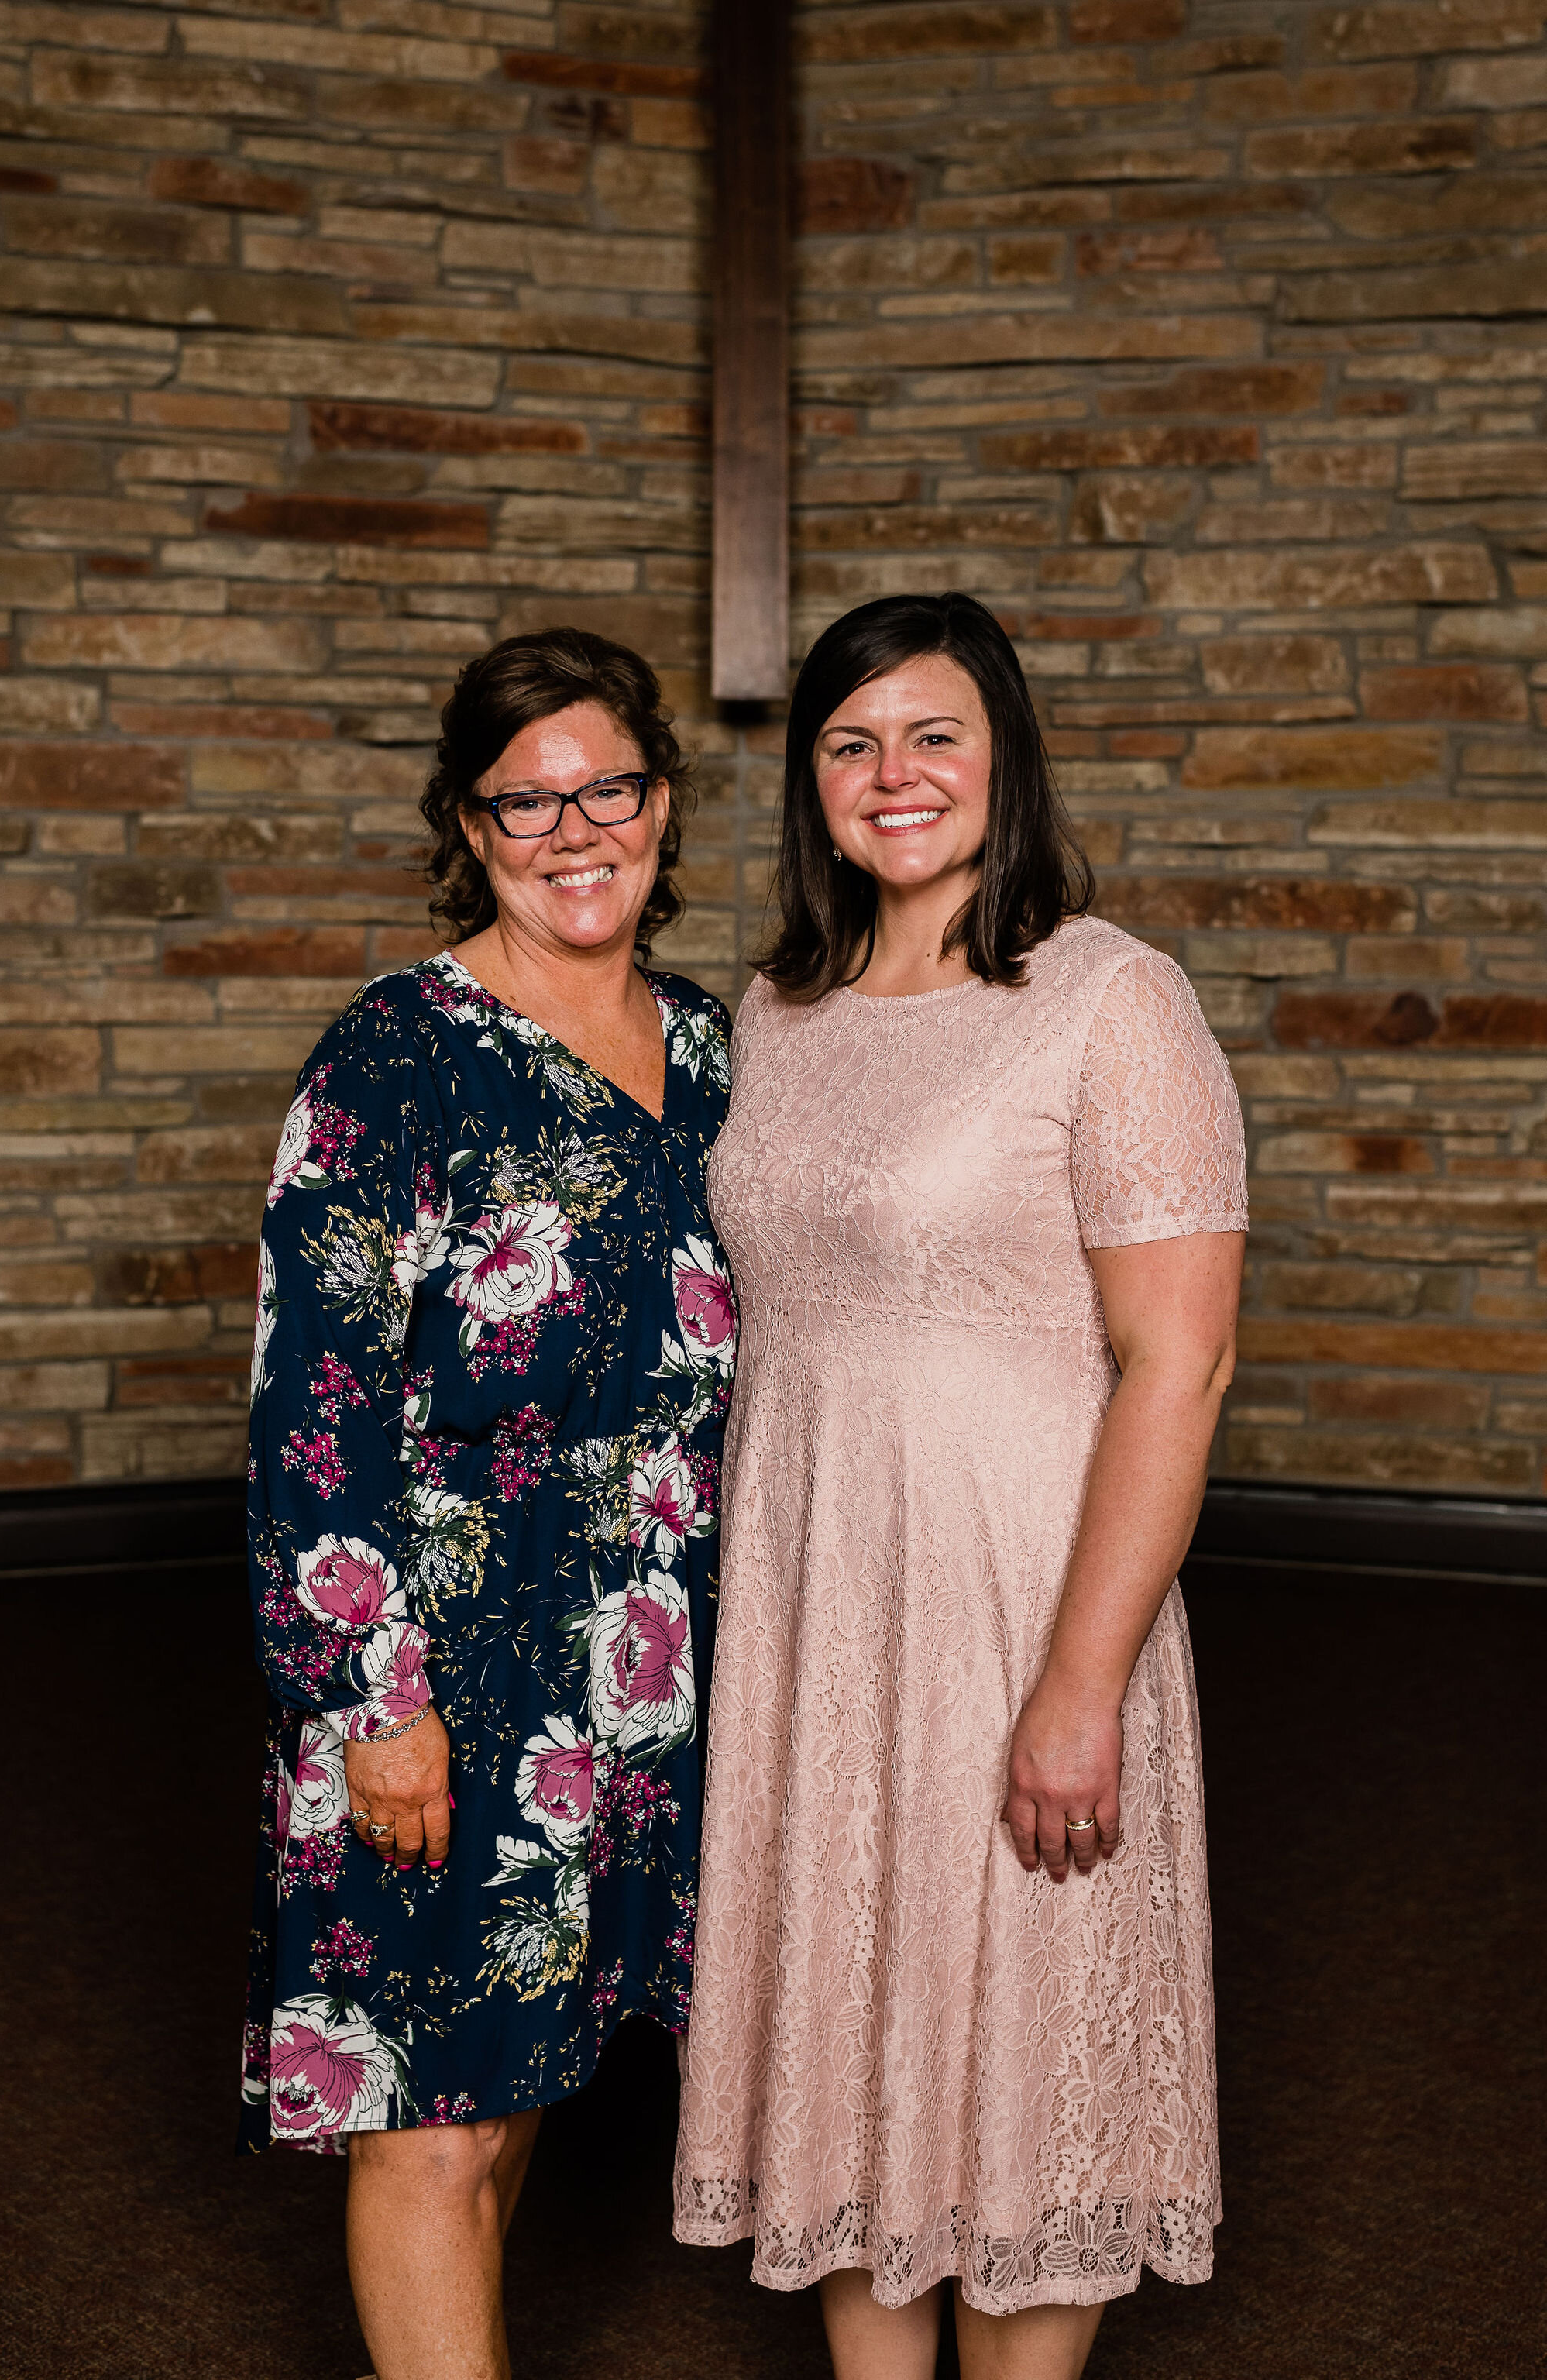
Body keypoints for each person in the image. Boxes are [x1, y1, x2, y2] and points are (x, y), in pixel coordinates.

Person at [674, 592, 1247, 2380]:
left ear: (1003, 756)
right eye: (850, 743)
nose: (891, 774)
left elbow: (1181, 1361)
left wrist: (1082, 1686)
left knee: (1016, 2040)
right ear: (811, 786)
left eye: (933, 734)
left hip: (1020, 1597)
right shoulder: (777, 1008)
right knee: (856, 2033)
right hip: (815, 1594)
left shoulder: (1107, 997)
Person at [239, 628, 738, 2380]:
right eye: (523, 801)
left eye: (605, 785)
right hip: (444, 1652)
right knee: (429, 2118)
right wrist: (374, 1707)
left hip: (647, 1649)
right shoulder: (394, 1055)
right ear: (468, 826)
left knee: (516, 2080)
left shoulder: (710, 1046)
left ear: (661, 804)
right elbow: (315, 1403)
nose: (571, 826)